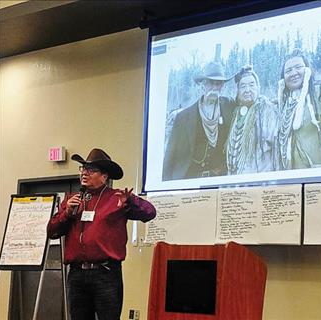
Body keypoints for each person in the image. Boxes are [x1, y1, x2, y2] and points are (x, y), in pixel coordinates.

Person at [47, 148, 156, 320]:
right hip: (77, 274)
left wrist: (132, 202)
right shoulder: (73, 199)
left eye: (91, 170)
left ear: (104, 176)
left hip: (105, 273)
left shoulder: (117, 198)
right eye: (83, 169)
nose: (84, 173)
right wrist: (67, 212)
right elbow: (51, 232)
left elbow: (150, 213)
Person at [162, 61, 235, 180]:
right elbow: (170, 156)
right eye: (211, 83)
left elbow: (246, 100)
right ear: (203, 85)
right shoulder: (183, 118)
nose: (215, 87)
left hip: (220, 180)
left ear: (223, 86)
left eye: (219, 83)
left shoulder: (228, 106)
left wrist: (244, 75)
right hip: (191, 181)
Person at [226, 65, 279, 174]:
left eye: (251, 85)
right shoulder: (236, 113)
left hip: (261, 180)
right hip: (236, 180)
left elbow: (276, 148)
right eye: (243, 86)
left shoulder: (268, 111)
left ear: (258, 88)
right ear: (238, 91)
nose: (247, 90)